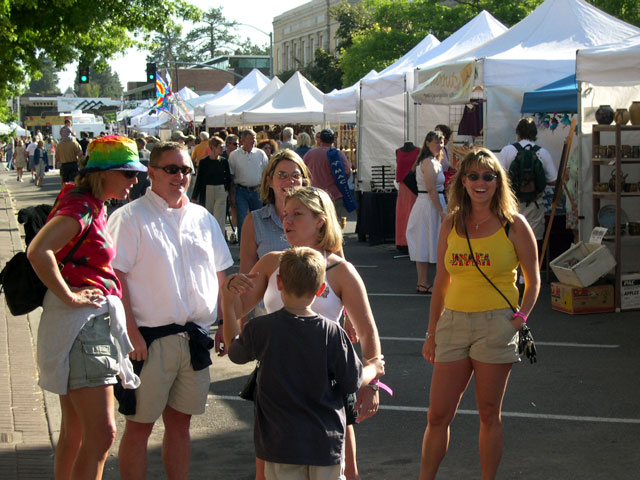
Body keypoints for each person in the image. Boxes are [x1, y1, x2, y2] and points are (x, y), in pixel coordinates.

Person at [229, 186, 382, 480]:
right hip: (277, 387)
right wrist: (228, 292)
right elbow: (238, 307)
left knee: (344, 471)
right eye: (285, 214)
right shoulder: (273, 262)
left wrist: (371, 385)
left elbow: (368, 331)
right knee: (269, 471)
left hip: (329, 389)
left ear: (321, 221)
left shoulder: (341, 271)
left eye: (297, 214)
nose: (287, 221)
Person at [108, 141, 233, 480]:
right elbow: (115, 280)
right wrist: (131, 333)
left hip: (195, 338)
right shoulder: (130, 217)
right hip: (149, 340)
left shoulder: (202, 218)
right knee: (140, 427)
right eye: (172, 169)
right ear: (151, 173)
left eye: (186, 170)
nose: (181, 176)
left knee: (180, 425)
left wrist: (225, 323)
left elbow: (222, 275)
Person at [27, 135, 145, 480]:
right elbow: (38, 250)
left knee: (76, 431)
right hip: (83, 326)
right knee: (102, 434)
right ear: (103, 173)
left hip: (80, 325)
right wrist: (71, 296)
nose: (135, 180)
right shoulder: (81, 207)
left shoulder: (88, 202)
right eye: (127, 173)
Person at [419, 148, 540, 480]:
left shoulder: (514, 225)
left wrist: (520, 318)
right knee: (437, 414)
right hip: (453, 323)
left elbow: (533, 278)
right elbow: (441, 282)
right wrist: (432, 332)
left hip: (496, 325)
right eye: (473, 176)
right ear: (463, 181)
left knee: (489, 413)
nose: (480, 182)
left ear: (498, 182)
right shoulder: (451, 223)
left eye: (489, 176)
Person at [497, 117, 556, 241]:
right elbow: (553, 180)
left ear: (518, 133)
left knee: (512, 240)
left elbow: (498, 179)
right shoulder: (542, 152)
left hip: (512, 203)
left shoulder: (507, 151)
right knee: (533, 241)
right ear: (535, 134)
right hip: (535, 204)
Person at [406, 131, 446, 294]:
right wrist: (441, 211)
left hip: (430, 204)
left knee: (430, 242)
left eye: (442, 142)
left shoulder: (432, 161)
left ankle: (427, 282)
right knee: (425, 242)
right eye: (437, 142)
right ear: (428, 143)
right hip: (429, 205)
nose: (440, 145)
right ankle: (423, 282)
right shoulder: (428, 162)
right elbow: (431, 189)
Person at [228, 129, 269, 243]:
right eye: (251, 138)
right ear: (243, 140)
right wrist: (231, 194)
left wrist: (265, 191)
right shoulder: (234, 155)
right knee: (242, 220)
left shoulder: (260, 154)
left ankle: (259, 245)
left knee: (258, 220)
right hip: (241, 190)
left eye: (254, 138)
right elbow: (231, 176)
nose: (253, 141)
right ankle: (243, 248)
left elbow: (266, 173)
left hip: (256, 190)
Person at [303, 129, 354, 219]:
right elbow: (347, 172)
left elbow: (302, 172)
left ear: (320, 140)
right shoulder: (338, 154)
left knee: (316, 224)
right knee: (333, 224)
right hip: (334, 195)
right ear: (333, 140)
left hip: (314, 195)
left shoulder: (310, 154)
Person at [191, 135, 232, 235]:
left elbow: (228, 177)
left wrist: (227, 190)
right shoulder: (204, 162)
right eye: (220, 147)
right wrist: (194, 196)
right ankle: (207, 237)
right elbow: (199, 179)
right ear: (213, 147)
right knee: (207, 216)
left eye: (223, 147)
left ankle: (220, 239)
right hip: (207, 190)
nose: (222, 149)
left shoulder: (224, 161)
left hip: (221, 190)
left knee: (220, 218)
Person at [395, 141, 419, 252]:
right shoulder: (398, 151)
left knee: (412, 214)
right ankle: (402, 241)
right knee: (402, 215)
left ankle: (412, 242)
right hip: (403, 187)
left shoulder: (418, 151)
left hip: (413, 186)